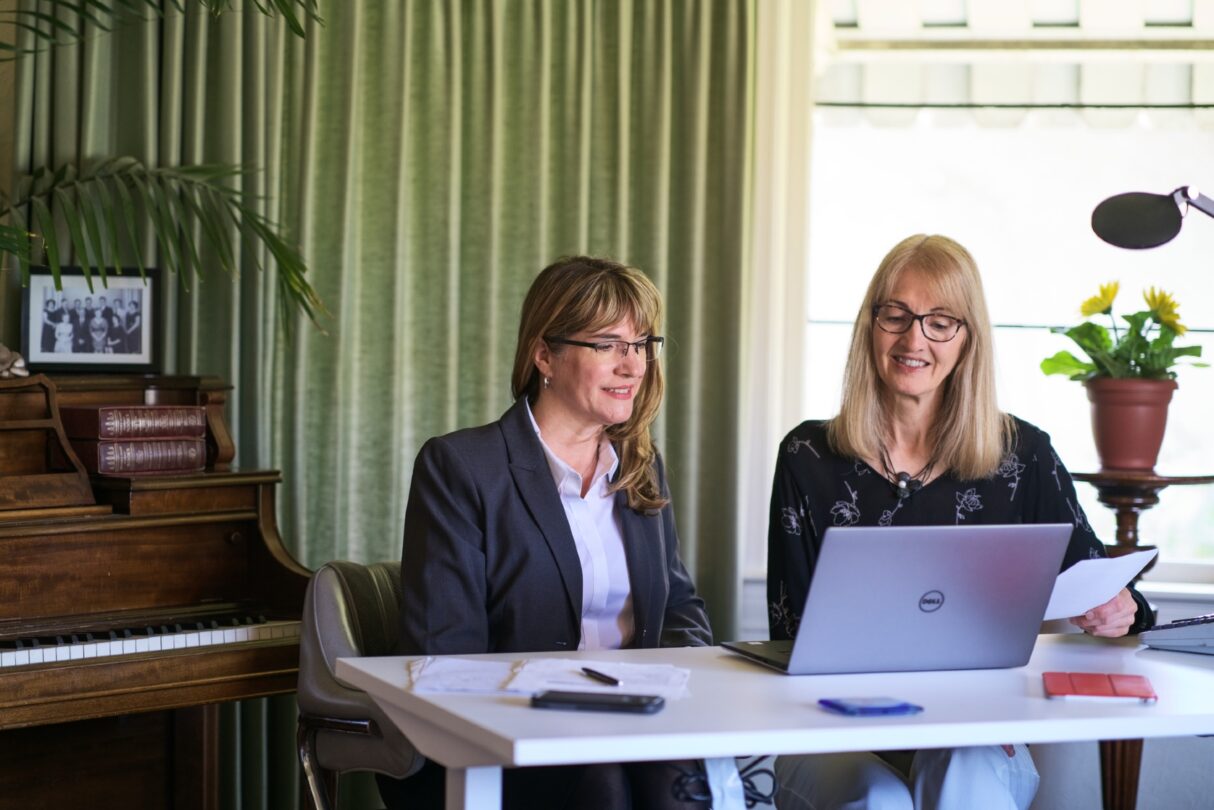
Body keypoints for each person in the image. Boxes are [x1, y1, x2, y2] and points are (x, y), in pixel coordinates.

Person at [768, 235, 1153, 810]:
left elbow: (1100, 581)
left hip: (975, 728)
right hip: (834, 730)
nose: (913, 339)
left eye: (940, 322)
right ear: (870, 325)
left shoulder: (1023, 455)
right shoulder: (807, 456)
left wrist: (1123, 609)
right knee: (877, 799)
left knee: (963, 774)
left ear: (968, 339)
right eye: (895, 315)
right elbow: (789, 634)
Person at [384, 256, 713, 810]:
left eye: (641, 345)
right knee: (605, 782)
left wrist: (675, 685)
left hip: (635, 726)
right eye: (608, 344)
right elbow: (445, 652)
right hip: (502, 737)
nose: (633, 366)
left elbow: (680, 609)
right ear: (544, 356)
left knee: (689, 781)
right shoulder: (461, 467)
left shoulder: (640, 467)